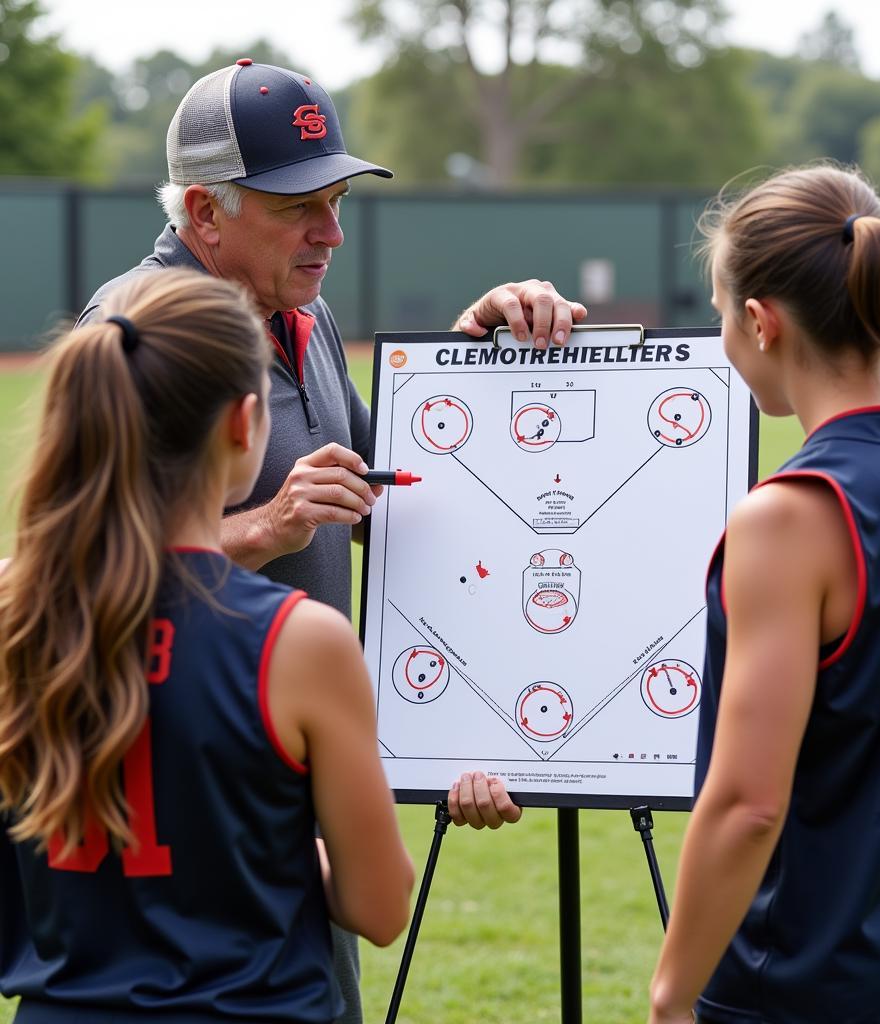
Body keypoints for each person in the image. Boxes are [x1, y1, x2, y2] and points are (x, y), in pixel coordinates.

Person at [76, 59, 576, 1018]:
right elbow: (88, 575)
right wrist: (268, 527)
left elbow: (381, 485)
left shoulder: (301, 314)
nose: (332, 232)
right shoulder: (139, 333)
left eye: (337, 199)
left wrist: (473, 364)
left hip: (300, 779)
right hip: (181, 811)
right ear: (203, 211)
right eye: (298, 205)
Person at [648, 164, 880, 1024]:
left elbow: (748, 805)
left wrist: (670, 999)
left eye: (719, 315)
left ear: (759, 321)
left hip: (811, 987)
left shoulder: (790, 518)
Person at [0, 269, 415, 1023]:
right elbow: (381, 908)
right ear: (244, 424)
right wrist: (287, 857)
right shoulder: (302, 641)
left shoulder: (13, 611)